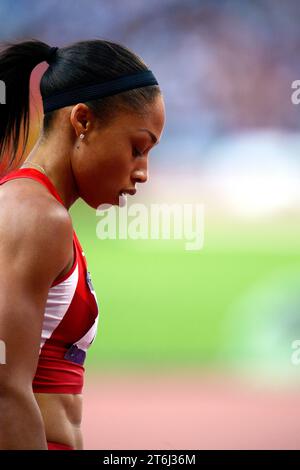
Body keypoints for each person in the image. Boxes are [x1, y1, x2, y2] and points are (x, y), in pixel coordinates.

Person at [0, 39, 165, 450]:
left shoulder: (43, 212)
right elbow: (3, 390)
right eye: (137, 148)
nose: (143, 172)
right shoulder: (34, 215)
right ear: (83, 121)